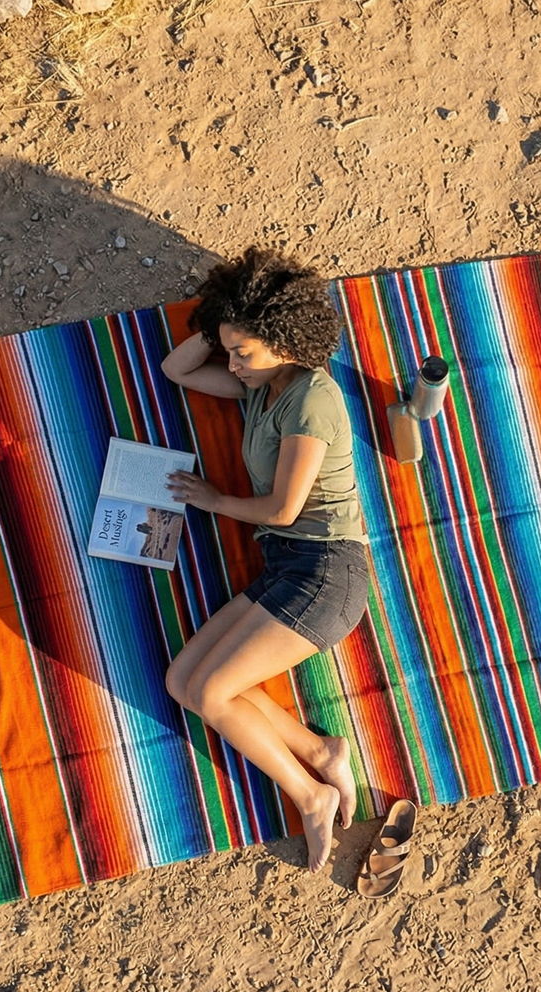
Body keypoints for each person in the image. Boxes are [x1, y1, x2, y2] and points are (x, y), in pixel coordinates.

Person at [162, 247, 369, 873]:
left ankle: (310, 795)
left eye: (243, 353)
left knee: (217, 692)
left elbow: (283, 509)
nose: (231, 364)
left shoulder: (311, 400)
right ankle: (322, 751)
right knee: (184, 684)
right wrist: (225, 324)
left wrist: (214, 500)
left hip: (326, 571)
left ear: (284, 343)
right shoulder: (259, 384)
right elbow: (178, 370)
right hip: (288, 569)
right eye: (229, 351)